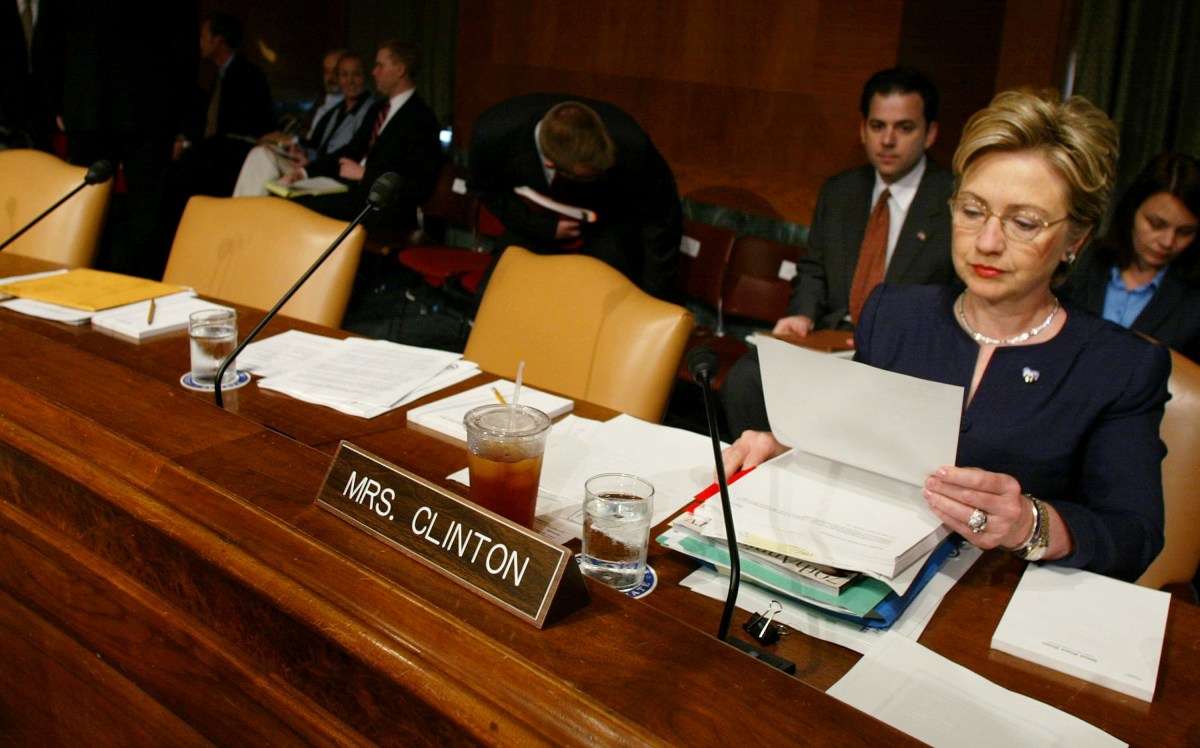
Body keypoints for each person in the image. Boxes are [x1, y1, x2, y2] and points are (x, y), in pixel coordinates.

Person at [722, 89, 1169, 582]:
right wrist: (791, 451)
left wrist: (1031, 524)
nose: (988, 242)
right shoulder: (895, 315)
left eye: (1023, 222)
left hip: (1001, 598)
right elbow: (862, 452)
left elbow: (1134, 536)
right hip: (880, 578)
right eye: (973, 211)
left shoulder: (1118, 367)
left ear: (1076, 238)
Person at [721, 66, 957, 436]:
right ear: (863, 130)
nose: (888, 140)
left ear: (930, 134)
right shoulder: (840, 190)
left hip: (904, 357)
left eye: (905, 128)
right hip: (831, 342)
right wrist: (801, 315)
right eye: (878, 126)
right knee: (746, 380)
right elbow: (814, 268)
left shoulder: (954, 201)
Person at [467, 93, 682, 300]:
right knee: (496, 296)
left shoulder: (631, 144)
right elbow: (486, 190)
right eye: (590, 175)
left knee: (607, 301)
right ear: (552, 164)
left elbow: (662, 220)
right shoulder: (494, 134)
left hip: (609, 222)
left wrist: (655, 301)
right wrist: (543, 228)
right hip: (535, 223)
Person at [1059, 153, 1200, 362]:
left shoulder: (1193, 300)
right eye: (1156, 224)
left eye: (1185, 231)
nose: (1168, 241)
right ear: (1132, 210)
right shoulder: (1081, 257)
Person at [291, 39, 442, 232]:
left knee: (304, 209)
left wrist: (365, 175)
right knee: (294, 200)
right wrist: (305, 172)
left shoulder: (421, 119)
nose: (373, 72)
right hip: (358, 196)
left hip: (387, 210)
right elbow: (350, 151)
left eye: (379, 66)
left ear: (400, 70)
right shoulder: (378, 110)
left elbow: (416, 183)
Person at [232, 53, 375, 197]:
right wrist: (302, 153)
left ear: (366, 77)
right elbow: (315, 146)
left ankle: (242, 214)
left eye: (357, 74)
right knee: (261, 152)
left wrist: (310, 165)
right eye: (344, 75)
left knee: (262, 159)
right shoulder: (335, 112)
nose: (350, 81)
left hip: (328, 174)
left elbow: (351, 153)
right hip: (312, 164)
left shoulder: (372, 112)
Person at [174, 12, 274, 197]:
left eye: (203, 37)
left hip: (229, 165)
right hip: (215, 158)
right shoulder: (219, 77)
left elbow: (239, 129)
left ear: (217, 40)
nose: (199, 43)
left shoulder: (246, 76)